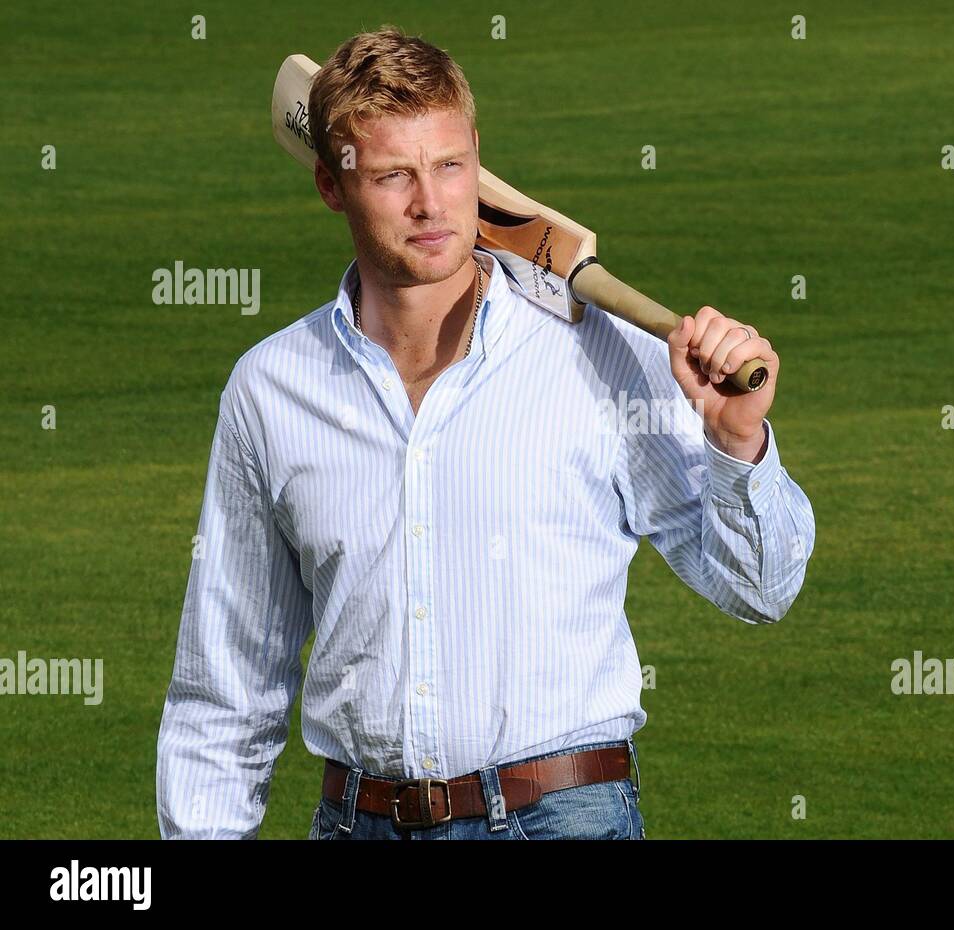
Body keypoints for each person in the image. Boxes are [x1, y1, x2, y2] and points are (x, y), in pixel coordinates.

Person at [156, 27, 816, 840]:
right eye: (394, 174)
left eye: (449, 166)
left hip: (565, 816)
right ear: (332, 184)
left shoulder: (602, 358)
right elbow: (228, 682)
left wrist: (736, 443)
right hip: (359, 821)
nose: (431, 204)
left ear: (478, 158)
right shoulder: (272, 389)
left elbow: (762, 589)